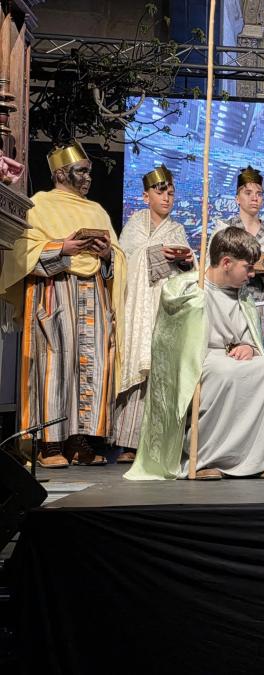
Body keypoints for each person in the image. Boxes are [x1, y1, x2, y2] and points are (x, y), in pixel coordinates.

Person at [0, 141, 125, 468]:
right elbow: (23, 252)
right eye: (81, 171)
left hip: (93, 295)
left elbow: (117, 257)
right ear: (59, 173)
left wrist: (107, 254)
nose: (88, 178)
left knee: (91, 366)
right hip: (55, 293)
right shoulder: (39, 205)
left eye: (89, 172)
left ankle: (79, 440)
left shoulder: (96, 210)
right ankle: (49, 443)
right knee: (54, 365)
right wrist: (63, 247)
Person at [125, 227, 264, 480]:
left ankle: (251, 459)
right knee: (223, 371)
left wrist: (248, 347)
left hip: (230, 357)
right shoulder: (187, 286)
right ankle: (204, 458)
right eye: (248, 268)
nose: (252, 275)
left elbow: (249, 334)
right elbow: (171, 334)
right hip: (195, 356)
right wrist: (193, 306)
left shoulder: (242, 295)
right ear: (226, 263)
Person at [113, 165, 194, 463]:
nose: (167, 198)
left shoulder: (176, 229)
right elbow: (125, 259)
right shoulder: (134, 225)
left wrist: (185, 261)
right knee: (138, 368)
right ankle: (129, 442)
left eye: (171, 193)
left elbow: (188, 271)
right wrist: (159, 254)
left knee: (162, 370)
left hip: (164, 306)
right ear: (146, 196)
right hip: (137, 306)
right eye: (161, 193)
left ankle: (159, 442)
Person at [212, 165, 264, 331]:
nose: (254, 198)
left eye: (259, 194)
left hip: (262, 308)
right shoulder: (224, 230)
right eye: (248, 193)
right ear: (237, 198)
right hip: (230, 306)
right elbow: (213, 270)